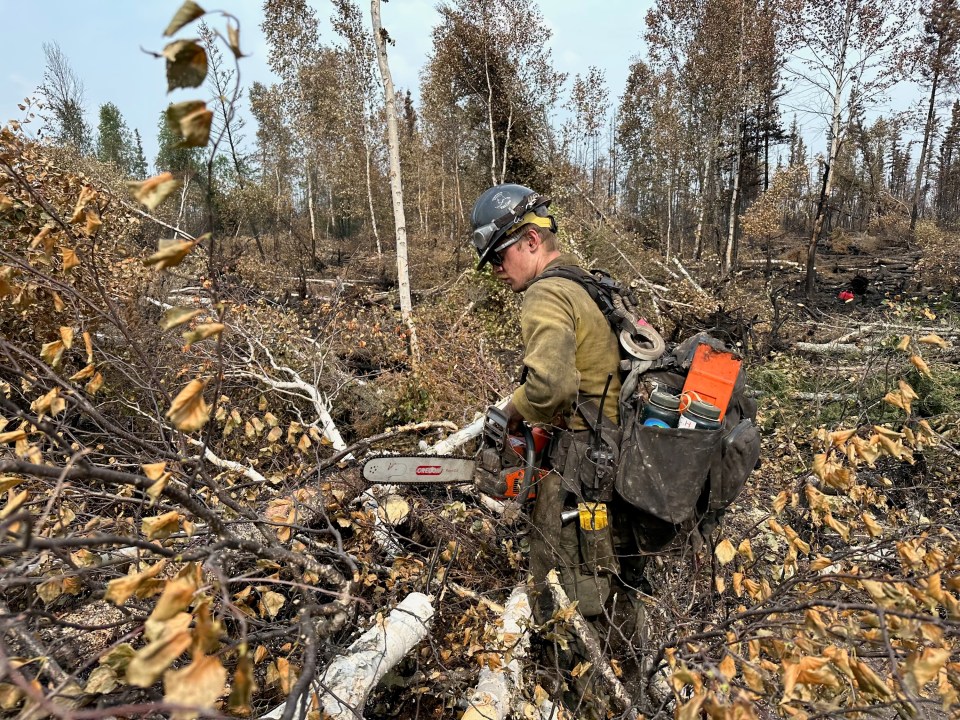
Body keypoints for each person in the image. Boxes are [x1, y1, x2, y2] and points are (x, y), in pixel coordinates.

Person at [470, 183, 633, 620]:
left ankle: (575, 677)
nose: (496, 272)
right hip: (616, 456)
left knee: (564, 595)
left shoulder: (546, 293)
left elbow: (549, 388)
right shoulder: (588, 285)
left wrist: (507, 414)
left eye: (499, 257)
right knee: (612, 584)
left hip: (584, 466)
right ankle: (625, 672)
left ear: (531, 240)